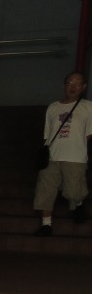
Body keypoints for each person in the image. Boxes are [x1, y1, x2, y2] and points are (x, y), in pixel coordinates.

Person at [33, 71, 91, 235]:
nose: (73, 87)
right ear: (64, 86)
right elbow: (48, 133)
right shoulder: (53, 107)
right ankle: (46, 224)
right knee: (45, 190)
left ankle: (78, 205)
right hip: (52, 156)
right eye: (70, 83)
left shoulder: (88, 107)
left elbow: (89, 134)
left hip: (75, 157)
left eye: (77, 83)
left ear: (84, 87)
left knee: (73, 190)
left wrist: (74, 145)